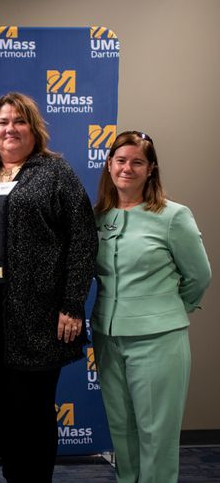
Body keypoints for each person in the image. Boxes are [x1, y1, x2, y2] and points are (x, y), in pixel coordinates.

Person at [0, 92, 97, 482]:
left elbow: (83, 239)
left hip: (38, 313)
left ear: (33, 129)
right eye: (2, 122)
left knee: (33, 408)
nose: (10, 129)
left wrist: (72, 303)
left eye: (19, 121)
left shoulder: (56, 173)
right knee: (0, 406)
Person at [92, 131, 211, 483]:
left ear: (151, 169)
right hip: (108, 338)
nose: (127, 168)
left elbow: (199, 276)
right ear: (109, 165)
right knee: (122, 431)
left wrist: (167, 311)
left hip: (158, 339)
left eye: (137, 162)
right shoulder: (99, 216)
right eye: (120, 160)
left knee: (156, 435)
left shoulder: (173, 216)